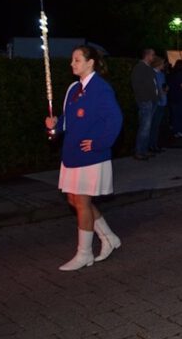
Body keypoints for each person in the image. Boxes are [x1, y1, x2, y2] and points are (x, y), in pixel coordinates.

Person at [44, 45, 123, 271]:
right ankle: (108, 237)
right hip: (71, 153)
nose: (72, 64)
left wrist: (99, 143)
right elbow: (66, 123)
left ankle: (84, 253)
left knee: (82, 202)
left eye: (77, 60)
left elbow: (115, 120)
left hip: (91, 155)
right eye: (72, 60)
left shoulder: (101, 88)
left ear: (90, 63)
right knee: (74, 200)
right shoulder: (73, 88)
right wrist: (54, 127)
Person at [131, 48, 158, 160]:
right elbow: (136, 85)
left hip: (151, 101)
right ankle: (139, 151)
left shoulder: (148, 68)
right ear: (147, 55)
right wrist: (144, 98)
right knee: (144, 127)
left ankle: (144, 150)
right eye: (152, 55)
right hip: (145, 101)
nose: (154, 57)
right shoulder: (140, 68)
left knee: (147, 127)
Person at [149, 56, 168, 153]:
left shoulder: (161, 74)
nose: (164, 65)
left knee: (158, 125)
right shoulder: (152, 74)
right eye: (162, 63)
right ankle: (152, 145)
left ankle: (155, 144)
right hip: (157, 102)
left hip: (163, 101)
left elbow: (162, 87)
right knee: (154, 124)